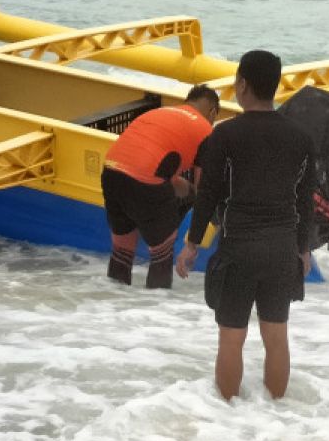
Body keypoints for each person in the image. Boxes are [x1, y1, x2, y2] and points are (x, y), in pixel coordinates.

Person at [176, 50, 315, 401]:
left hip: (240, 247)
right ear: (276, 86)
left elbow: (208, 193)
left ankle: (227, 419)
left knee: (231, 338)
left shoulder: (226, 134)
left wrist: (192, 244)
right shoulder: (300, 137)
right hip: (282, 247)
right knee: (276, 336)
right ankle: (277, 413)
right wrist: (304, 249)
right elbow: (304, 199)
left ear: (242, 84)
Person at [101, 84, 220, 288]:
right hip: (145, 180)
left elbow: (165, 174)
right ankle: (154, 311)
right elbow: (204, 190)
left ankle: (112, 305)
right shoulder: (205, 130)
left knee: (122, 250)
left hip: (111, 173)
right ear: (212, 111)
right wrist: (204, 229)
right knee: (162, 250)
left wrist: (189, 192)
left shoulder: (160, 113)